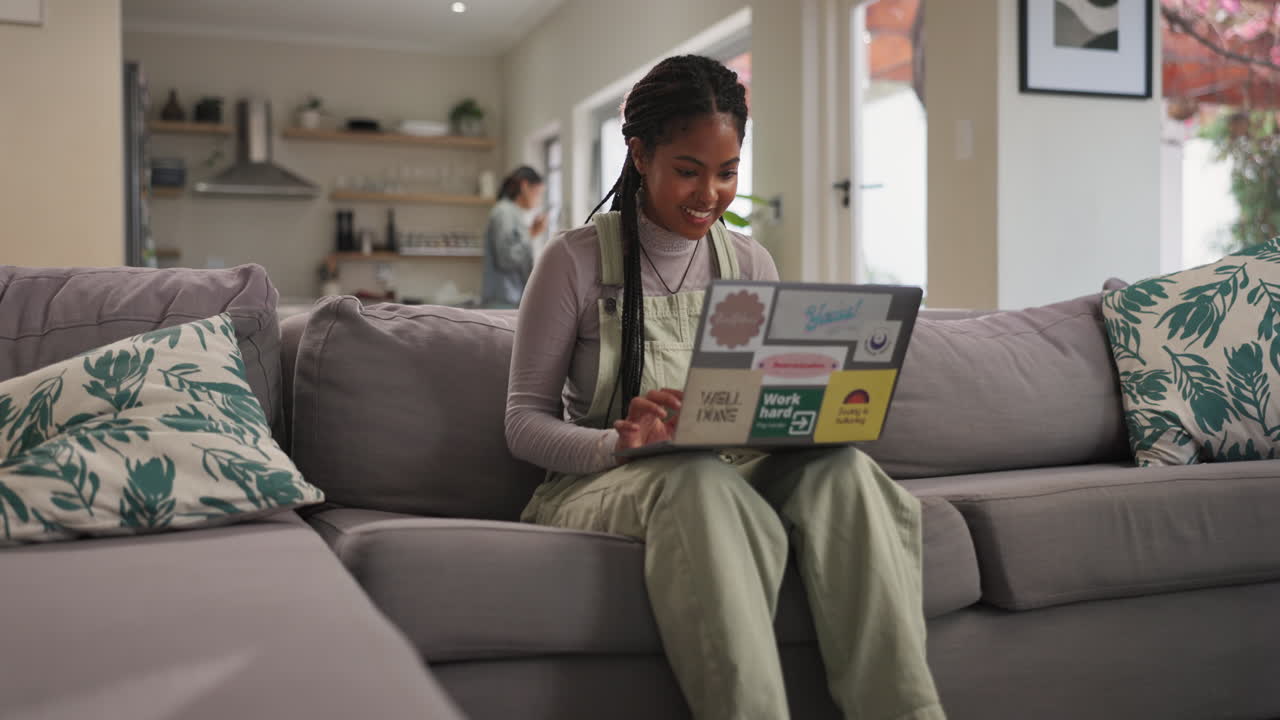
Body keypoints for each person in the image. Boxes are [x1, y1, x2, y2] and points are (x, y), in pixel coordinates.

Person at [505, 54, 944, 720]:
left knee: (845, 472)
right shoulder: (574, 262)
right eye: (688, 170)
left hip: (735, 465)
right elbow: (522, 421)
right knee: (696, 482)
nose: (709, 194)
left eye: (727, 172)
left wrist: (805, 410)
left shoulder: (749, 262)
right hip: (604, 481)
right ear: (641, 153)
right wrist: (615, 445)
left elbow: (763, 398)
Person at [481, 166, 546, 308]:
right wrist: (531, 234)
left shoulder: (513, 213)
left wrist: (532, 232)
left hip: (510, 300)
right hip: (503, 302)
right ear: (524, 186)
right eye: (538, 194)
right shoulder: (504, 212)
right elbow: (505, 258)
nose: (539, 200)